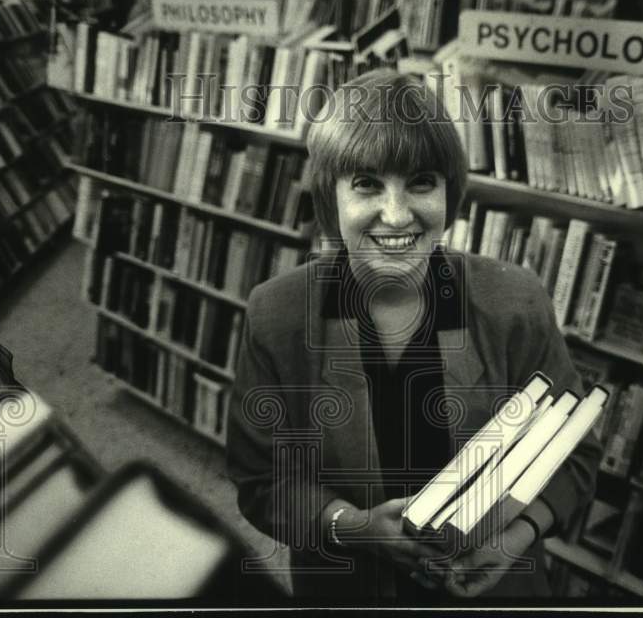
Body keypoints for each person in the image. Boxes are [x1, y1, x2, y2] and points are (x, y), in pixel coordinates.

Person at [226, 69, 602, 604]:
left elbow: (576, 455)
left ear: (450, 193)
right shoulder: (277, 314)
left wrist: (517, 538)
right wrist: (352, 527)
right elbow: (263, 481)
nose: (397, 215)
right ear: (331, 199)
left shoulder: (515, 301)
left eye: (421, 182)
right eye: (366, 184)